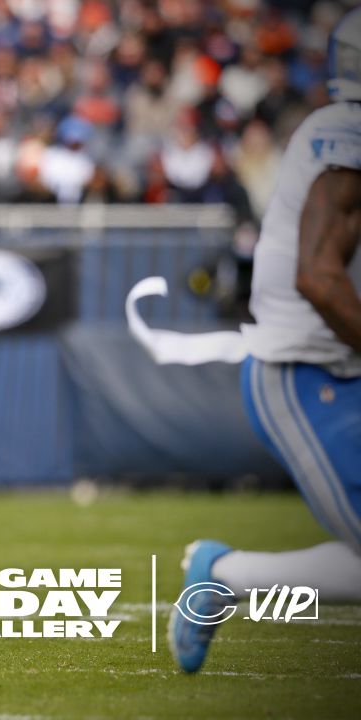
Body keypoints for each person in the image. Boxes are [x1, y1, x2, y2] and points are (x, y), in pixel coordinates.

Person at [168, 9, 361, 674]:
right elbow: (320, 276)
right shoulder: (348, 139)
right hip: (309, 372)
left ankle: (225, 576)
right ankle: (226, 576)